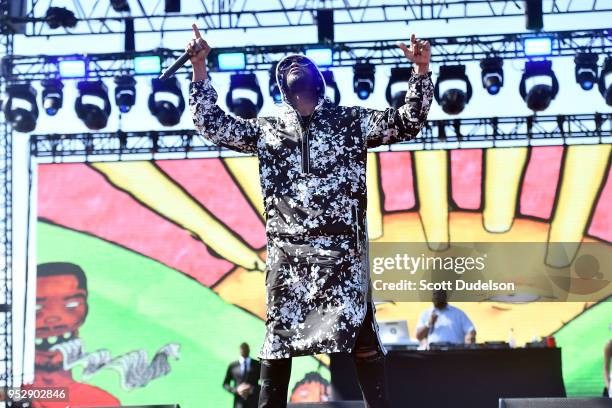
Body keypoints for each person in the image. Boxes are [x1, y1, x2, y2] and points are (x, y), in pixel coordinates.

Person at [187, 23, 433, 408]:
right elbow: (212, 124)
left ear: (320, 82)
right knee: (279, 342)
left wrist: (420, 71)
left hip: (342, 259)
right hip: (289, 259)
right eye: (290, 67)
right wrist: (200, 69)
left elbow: (407, 122)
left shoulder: (350, 123)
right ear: (283, 90)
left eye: (305, 66)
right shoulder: (268, 129)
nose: (298, 68)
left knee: (362, 338)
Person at [223, 343, 261, 408]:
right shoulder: (233, 366)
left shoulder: (257, 365)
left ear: (249, 350)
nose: (244, 351)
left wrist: (252, 389)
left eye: (246, 349)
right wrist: (236, 390)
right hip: (238, 402)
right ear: (240, 350)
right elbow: (225, 384)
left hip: (253, 401)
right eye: (242, 349)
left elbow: (265, 383)